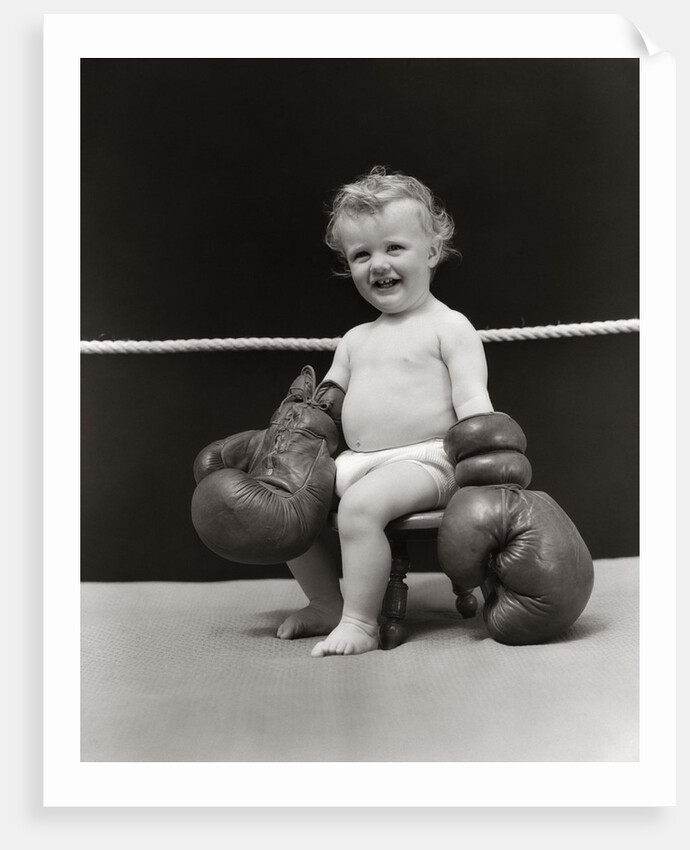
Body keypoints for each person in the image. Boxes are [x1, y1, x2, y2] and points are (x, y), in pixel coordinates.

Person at [276, 166, 494, 656]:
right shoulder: (355, 340)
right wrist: (291, 432)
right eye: (361, 254)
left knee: (361, 506)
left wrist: (485, 460)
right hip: (357, 462)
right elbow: (325, 405)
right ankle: (326, 603)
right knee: (286, 501)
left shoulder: (449, 327)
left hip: (428, 461)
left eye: (394, 247)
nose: (378, 264)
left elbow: (473, 402)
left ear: (433, 251)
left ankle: (359, 622)